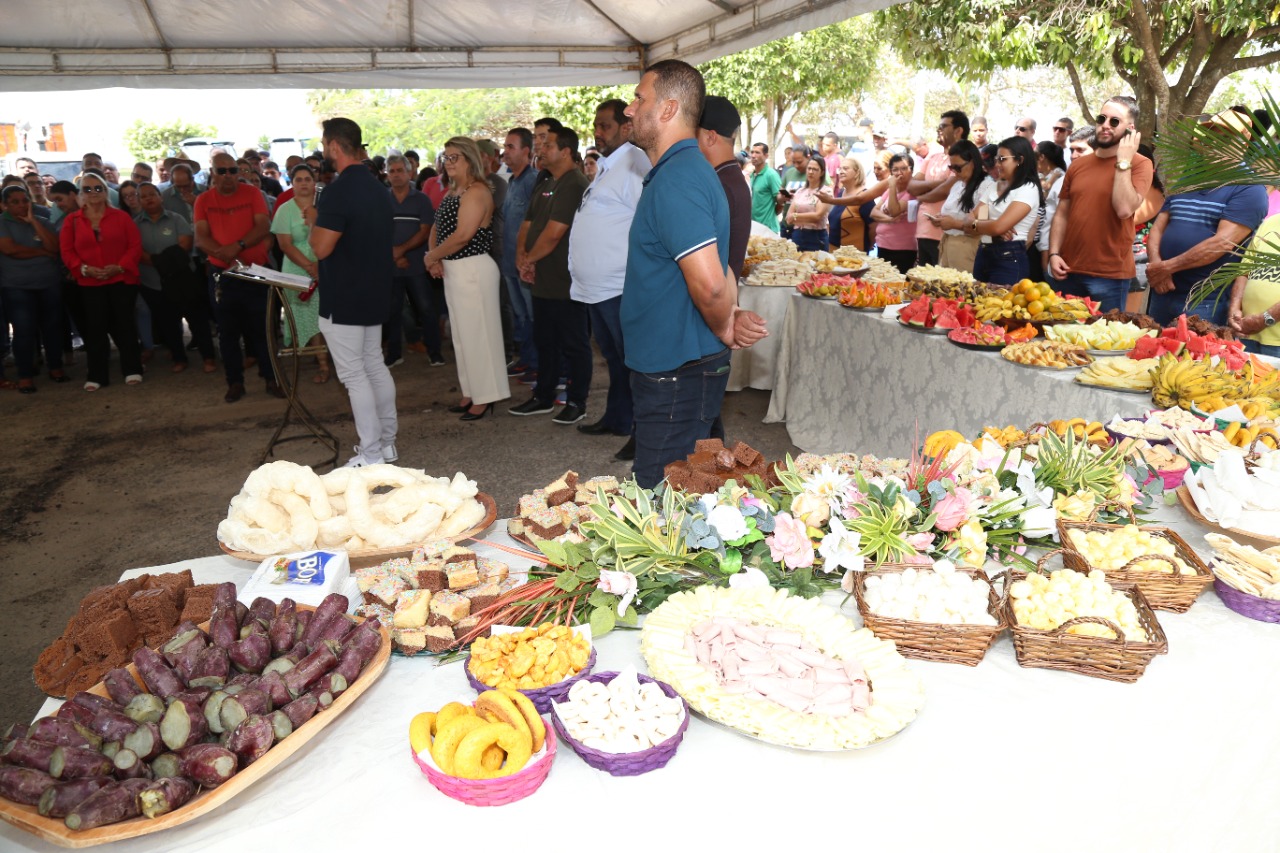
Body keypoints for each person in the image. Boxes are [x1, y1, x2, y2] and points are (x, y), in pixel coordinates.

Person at [620, 59, 766, 487]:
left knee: (662, 498)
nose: (630, 109)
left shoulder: (679, 178)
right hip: (675, 365)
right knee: (692, 486)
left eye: (639, 98)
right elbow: (717, 263)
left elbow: (708, 281)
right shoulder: (680, 171)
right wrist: (729, 315)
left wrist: (724, 325)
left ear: (667, 109)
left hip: (677, 373)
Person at [307, 118, 399, 465]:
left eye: (323, 143)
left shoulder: (338, 190)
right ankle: (387, 442)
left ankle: (372, 452)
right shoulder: (378, 186)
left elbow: (321, 248)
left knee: (354, 375)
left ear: (333, 146)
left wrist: (315, 221)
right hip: (373, 290)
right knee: (374, 366)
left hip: (344, 295)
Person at [569, 98, 652, 458]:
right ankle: (618, 418)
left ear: (626, 127)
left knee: (633, 362)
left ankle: (642, 432)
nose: (597, 132)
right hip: (595, 288)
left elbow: (645, 222)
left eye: (605, 126)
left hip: (619, 285)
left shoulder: (635, 163)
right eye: (596, 126)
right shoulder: (607, 166)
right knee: (615, 360)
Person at [1145, 113, 1269, 326]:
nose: (1217, 143)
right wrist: (1157, 266)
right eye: (1212, 136)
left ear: (1245, 141)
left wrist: (1166, 267)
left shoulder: (1250, 188)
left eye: (1228, 137)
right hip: (1162, 289)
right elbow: (1157, 228)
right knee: (1150, 354)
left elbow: (1221, 243)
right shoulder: (1188, 180)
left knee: (1197, 358)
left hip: (1205, 300)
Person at [423, 136, 510, 421]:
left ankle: (486, 397)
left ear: (469, 159)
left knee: (479, 336)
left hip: (473, 268)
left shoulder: (477, 191)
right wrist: (434, 255)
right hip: (454, 268)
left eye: (454, 157)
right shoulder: (453, 191)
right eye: (446, 157)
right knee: (461, 337)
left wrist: (433, 256)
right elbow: (437, 227)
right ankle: (470, 392)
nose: (448, 163)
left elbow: (463, 235)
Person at [510, 126, 592, 424]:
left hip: (566, 280)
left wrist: (529, 260)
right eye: (540, 144)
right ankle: (543, 397)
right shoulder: (546, 180)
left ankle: (577, 401)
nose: (540, 149)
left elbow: (556, 233)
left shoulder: (574, 183)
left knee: (574, 343)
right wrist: (522, 257)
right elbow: (528, 223)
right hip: (541, 278)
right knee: (545, 340)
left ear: (566, 150)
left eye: (548, 144)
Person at [1048, 96, 1155, 312]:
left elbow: (1124, 208)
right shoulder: (1078, 166)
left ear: (1130, 128)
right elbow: (1062, 214)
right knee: (1059, 341)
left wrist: (1123, 161)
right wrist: (1054, 253)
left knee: (1104, 343)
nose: (1106, 125)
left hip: (1110, 277)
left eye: (1115, 121)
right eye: (1102, 118)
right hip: (1068, 271)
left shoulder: (1141, 164)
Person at [194, 150, 281, 403]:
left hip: (255, 272)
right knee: (227, 333)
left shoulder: (253, 193)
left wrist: (238, 246)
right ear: (213, 173)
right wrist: (225, 255)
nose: (229, 176)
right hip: (223, 275)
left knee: (264, 329)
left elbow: (263, 226)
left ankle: (271, 378)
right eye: (222, 171)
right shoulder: (204, 200)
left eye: (233, 171)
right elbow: (201, 237)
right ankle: (235, 382)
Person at [59, 171, 143, 391]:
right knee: (95, 329)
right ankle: (97, 374)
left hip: (121, 278)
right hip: (89, 282)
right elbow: (66, 252)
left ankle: (132, 368)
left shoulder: (121, 217)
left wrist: (119, 266)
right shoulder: (72, 220)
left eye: (98, 188)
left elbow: (134, 246)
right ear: (81, 194)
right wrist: (84, 269)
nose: (93, 192)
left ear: (106, 192)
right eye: (87, 189)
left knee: (124, 324)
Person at [135, 182, 216, 373]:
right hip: (154, 284)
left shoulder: (176, 219)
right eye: (143, 196)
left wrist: (156, 259)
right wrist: (167, 259)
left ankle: (209, 357)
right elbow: (138, 253)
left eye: (152, 194)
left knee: (198, 321)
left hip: (183, 281)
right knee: (168, 324)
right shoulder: (135, 225)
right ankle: (179, 359)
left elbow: (185, 246)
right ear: (139, 201)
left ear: (160, 197)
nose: (149, 198)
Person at [0, 186, 66, 393]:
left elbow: (54, 248)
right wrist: (41, 253)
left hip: (49, 283)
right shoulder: (2, 223)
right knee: (24, 330)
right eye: (15, 202)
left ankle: (56, 368)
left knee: (53, 328)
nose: (21, 205)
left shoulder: (43, 221)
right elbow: (11, 250)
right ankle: (25, 375)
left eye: (24, 200)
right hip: (17, 286)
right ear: (5, 205)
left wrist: (33, 222)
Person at [270, 163, 330, 383]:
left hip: (325, 263)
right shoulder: (284, 209)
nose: (304, 183)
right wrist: (310, 266)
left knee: (329, 315)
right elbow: (285, 245)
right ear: (291, 183)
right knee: (308, 318)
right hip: (297, 268)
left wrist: (319, 265)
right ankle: (322, 364)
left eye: (308, 179)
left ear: (314, 182)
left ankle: (333, 357)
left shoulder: (325, 206)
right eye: (299, 179)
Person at [964, 137, 1042, 285]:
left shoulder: (1028, 189)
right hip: (983, 252)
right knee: (976, 304)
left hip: (1008, 257)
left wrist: (988, 226)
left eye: (1002, 159)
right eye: (996, 159)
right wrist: (987, 225)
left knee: (998, 306)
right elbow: (969, 223)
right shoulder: (995, 186)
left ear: (1020, 159)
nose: (997, 164)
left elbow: (995, 227)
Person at [384, 154, 439, 367]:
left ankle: (434, 352)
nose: (396, 175)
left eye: (400, 171)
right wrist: (394, 255)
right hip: (391, 265)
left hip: (417, 264)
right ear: (387, 175)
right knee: (393, 311)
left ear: (410, 173)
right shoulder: (382, 199)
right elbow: (378, 231)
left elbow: (425, 231)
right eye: (392, 171)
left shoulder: (422, 200)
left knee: (425, 308)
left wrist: (402, 251)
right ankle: (394, 354)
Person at [698, 95, 752, 278]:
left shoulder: (721, 185)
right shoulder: (726, 178)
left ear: (710, 137)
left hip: (717, 300)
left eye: (690, 134)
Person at [500, 127, 539, 380]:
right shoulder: (512, 181)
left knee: (532, 315)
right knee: (520, 315)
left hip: (524, 262)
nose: (505, 152)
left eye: (511, 147)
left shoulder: (532, 180)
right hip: (508, 262)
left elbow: (535, 222)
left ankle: (537, 364)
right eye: (505, 146)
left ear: (527, 151)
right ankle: (526, 360)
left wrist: (528, 258)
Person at [909, 110, 969, 266]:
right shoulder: (932, 157)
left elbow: (945, 191)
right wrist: (940, 182)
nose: (938, 130)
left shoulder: (964, 158)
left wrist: (923, 194)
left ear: (958, 131)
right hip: (923, 232)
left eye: (943, 126)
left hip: (946, 235)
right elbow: (911, 186)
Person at [933, 140, 993, 274]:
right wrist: (941, 219)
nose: (954, 172)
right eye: (951, 168)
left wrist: (954, 224)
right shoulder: (957, 185)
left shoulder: (986, 187)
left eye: (958, 167)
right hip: (948, 245)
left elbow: (981, 226)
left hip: (969, 249)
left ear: (972, 162)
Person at [1228, 213, 1280, 355]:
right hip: (1246, 332)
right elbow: (1244, 271)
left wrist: (1264, 320)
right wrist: (1234, 309)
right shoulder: (1270, 223)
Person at [871, 152, 918, 274]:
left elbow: (894, 209)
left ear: (911, 170)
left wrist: (892, 186)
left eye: (903, 168)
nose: (899, 173)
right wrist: (889, 219)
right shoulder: (890, 191)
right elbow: (874, 212)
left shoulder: (912, 191)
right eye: (895, 169)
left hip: (903, 249)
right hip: (883, 245)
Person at [784, 155, 832, 251]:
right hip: (798, 235)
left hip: (816, 237)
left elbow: (817, 216)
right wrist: (794, 217)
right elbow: (788, 218)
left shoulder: (826, 192)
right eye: (809, 168)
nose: (811, 172)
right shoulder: (800, 191)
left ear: (822, 172)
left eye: (815, 169)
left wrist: (795, 216)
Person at [748, 142, 782, 232]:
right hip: (754, 228)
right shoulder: (751, 175)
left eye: (757, 152)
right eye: (752, 152)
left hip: (768, 229)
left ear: (766, 156)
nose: (753, 155)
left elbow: (780, 201)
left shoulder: (771, 175)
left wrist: (770, 215)